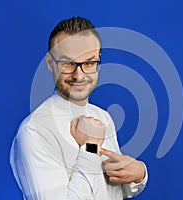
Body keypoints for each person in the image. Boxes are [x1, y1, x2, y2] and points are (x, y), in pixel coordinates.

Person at [10, 16, 148, 200]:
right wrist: (90, 148)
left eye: (89, 63)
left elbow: (114, 190)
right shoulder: (35, 131)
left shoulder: (103, 117)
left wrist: (139, 175)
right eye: (68, 64)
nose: (79, 75)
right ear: (50, 63)